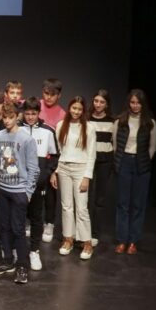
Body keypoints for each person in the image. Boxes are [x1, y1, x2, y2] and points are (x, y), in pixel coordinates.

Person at [0, 102, 39, 284]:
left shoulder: (26, 139)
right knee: (3, 227)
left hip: (19, 190)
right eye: (4, 117)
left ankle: (22, 266)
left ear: (17, 117)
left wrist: (28, 192)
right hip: (2, 189)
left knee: (18, 229)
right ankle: (8, 261)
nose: (6, 120)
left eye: (10, 117)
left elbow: (34, 168)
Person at [51, 96, 96, 260]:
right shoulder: (61, 125)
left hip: (80, 169)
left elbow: (92, 155)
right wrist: (55, 171)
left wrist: (87, 177)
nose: (76, 111)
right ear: (69, 108)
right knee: (66, 206)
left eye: (79, 109)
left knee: (82, 208)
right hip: (64, 168)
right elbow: (60, 151)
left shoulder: (89, 128)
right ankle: (68, 238)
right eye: (73, 108)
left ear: (83, 111)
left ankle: (87, 242)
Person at [113, 89, 156, 255]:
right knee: (122, 204)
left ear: (143, 104)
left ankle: (133, 241)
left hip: (141, 165)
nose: (135, 105)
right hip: (124, 162)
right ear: (128, 103)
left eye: (138, 102)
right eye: (132, 102)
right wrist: (120, 161)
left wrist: (144, 161)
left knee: (138, 205)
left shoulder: (150, 123)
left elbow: (152, 147)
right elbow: (116, 145)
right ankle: (122, 240)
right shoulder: (120, 121)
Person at [19, 97, 58, 270]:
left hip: (38, 184)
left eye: (33, 113)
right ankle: (18, 250)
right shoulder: (17, 129)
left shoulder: (48, 131)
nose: (30, 117)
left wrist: (46, 173)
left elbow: (55, 155)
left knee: (36, 218)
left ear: (38, 113)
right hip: (19, 184)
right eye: (27, 113)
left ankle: (34, 251)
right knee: (19, 219)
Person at [87, 89, 115, 247]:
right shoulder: (87, 119)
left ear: (107, 104)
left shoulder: (113, 121)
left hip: (105, 160)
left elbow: (115, 143)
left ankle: (95, 233)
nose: (98, 104)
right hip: (89, 160)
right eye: (96, 101)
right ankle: (83, 231)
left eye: (102, 102)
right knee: (86, 196)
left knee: (100, 198)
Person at [40, 78, 66, 244]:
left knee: (50, 194)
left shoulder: (63, 115)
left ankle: (49, 224)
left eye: (53, 94)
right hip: (35, 159)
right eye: (46, 93)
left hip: (51, 161)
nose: (48, 97)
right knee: (32, 193)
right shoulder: (35, 106)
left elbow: (62, 145)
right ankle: (30, 222)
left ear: (59, 95)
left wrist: (55, 170)